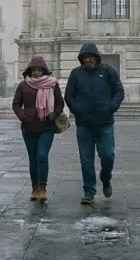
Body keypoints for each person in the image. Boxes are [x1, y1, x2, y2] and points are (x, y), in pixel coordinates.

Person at [64, 42, 124, 205]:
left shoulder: (107, 71)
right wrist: (78, 111)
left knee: (108, 155)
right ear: (81, 59)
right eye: (85, 57)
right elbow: (68, 95)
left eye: (90, 57)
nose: (88, 60)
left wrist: (112, 107)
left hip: (105, 122)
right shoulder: (75, 74)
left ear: (96, 58)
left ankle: (106, 179)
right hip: (84, 124)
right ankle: (89, 191)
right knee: (86, 159)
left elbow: (119, 90)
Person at [12, 56, 65, 202]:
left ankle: (42, 188)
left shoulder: (52, 85)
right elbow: (16, 104)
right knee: (33, 158)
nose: (36, 72)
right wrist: (23, 116)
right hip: (28, 127)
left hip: (46, 126)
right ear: (29, 71)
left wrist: (54, 113)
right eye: (33, 70)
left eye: (39, 70)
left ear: (44, 71)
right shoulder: (23, 85)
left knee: (42, 156)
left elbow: (60, 102)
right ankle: (34, 188)